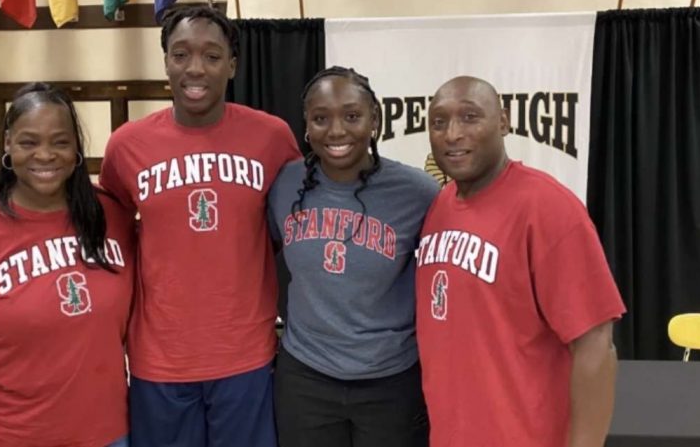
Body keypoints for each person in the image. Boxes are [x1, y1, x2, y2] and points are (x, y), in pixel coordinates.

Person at [99, 6, 301, 447]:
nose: (195, 68)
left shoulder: (273, 137)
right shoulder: (126, 146)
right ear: (166, 61)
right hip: (159, 358)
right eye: (181, 54)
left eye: (212, 56)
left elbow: (296, 226)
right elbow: (112, 244)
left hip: (245, 354)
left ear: (232, 65)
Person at [415, 76, 626, 447]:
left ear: (504, 121)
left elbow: (596, 343)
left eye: (469, 117)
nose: (452, 134)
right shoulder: (440, 206)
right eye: (439, 122)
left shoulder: (548, 207)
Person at [0, 83, 135, 447]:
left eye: (60, 142)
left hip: (110, 434)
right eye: (28, 142)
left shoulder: (109, 215)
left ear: (76, 148)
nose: (45, 154)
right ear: (7, 144)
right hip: (14, 435)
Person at [268, 66, 438, 447]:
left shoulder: (418, 193)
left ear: (374, 121)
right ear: (307, 126)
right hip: (306, 379)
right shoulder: (284, 184)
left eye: (352, 115)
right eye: (321, 118)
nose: (337, 131)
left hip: (390, 379)